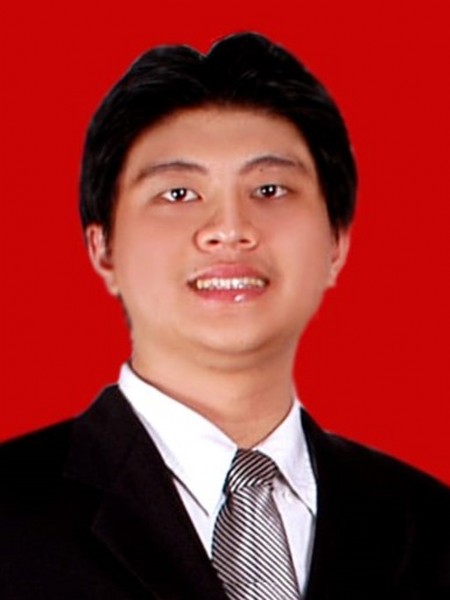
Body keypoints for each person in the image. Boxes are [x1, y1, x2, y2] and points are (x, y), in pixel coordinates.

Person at [0, 32, 448, 600]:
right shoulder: (10, 514)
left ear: (336, 243)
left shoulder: (429, 525)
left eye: (270, 188)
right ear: (103, 247)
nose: (230, 229)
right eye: (178, 194)